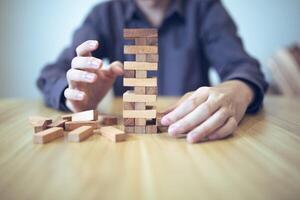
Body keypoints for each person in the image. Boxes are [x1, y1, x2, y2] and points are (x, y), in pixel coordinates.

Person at [37, 0, 268, 143]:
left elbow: (243, 67)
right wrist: (74, 94)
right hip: (133, 146)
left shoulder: (206, 7)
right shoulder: (104, 14)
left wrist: (238, 90)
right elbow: (52, 72)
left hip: (189, 143)